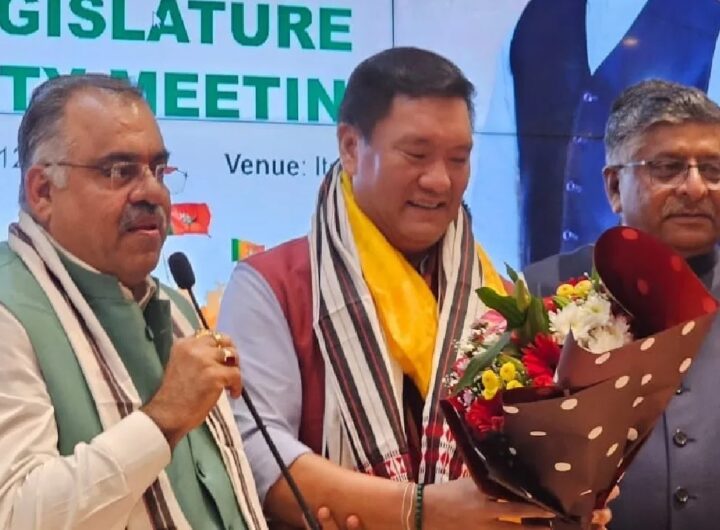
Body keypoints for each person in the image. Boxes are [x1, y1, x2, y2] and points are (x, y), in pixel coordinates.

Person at [219, 47, 612, 529]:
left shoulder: (500, 295)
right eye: (417, 155)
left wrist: (566, 494)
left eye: (459, 158)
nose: (440, 181)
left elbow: (528, 455)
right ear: (350, 147)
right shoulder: (274, 286)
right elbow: (256, 451)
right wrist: (420, 511)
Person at [0, 73, 270, 530]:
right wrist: (164, 416)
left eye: (158, 171)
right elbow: (16, 516)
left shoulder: (177, 306)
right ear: (43, 191)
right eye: (119, 172)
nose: (152, 193)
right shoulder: (9, 308)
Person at [524, 79, 720, 529]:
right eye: (668, 167)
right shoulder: (541, 294)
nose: (696, 188)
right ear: (614, 186)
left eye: (713, 169)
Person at [469, 0, 720, 267]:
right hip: (539, 289)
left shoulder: (709, 19)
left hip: (690, 288)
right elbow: (497, 207)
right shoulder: (532, 23)